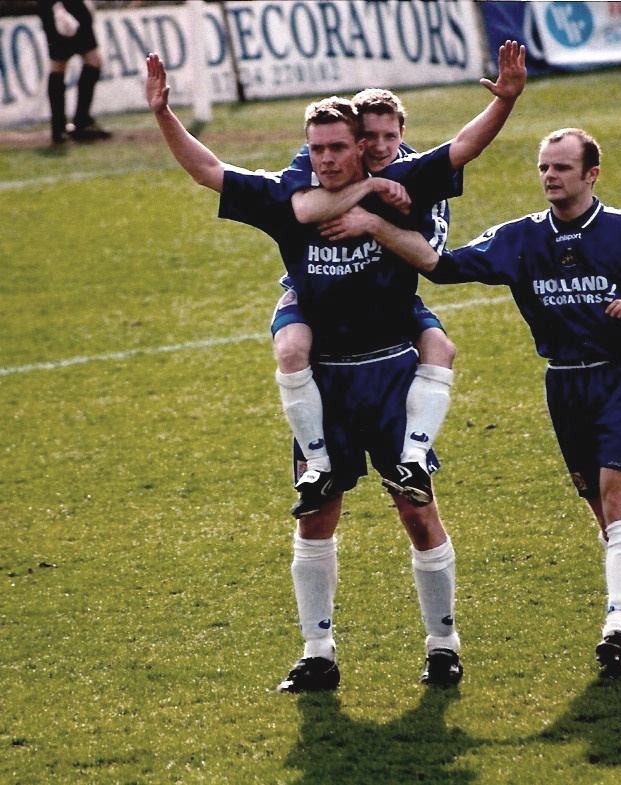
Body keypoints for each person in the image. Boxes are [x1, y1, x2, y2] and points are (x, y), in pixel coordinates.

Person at [144, 45, 523, 692]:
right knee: (315, 516)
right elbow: (209, 170)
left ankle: (443, 644)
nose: (325, 158)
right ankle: (317, 651)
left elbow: (461, 148)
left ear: (362, 148)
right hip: (325, 381)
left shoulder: (404, 185)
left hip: (388, 371)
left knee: (415, 508)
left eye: (336, 148)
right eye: (315, 148)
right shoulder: (288, 196)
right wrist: (163, 114)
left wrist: (505, 100)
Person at [322, 127, 621, 677]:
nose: (550, 176)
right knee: (603, 511)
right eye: (544, 167)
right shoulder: (520, 238)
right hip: (564, 384)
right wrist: (377, 225)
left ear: (591, 174)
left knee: (619, 502)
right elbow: (440, 266)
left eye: (562, 168)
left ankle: (616, 628)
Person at [273, 44, 526, 518]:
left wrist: (505, 101)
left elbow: (432, 259)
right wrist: (363, 190)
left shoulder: (413, 177)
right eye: (369, 137)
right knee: (291, 349)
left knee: (441, 347)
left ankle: (413, 461)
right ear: (354, 138)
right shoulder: (319, 162)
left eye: (390, 136)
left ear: (403, 135)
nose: (380, 147)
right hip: (316, 297)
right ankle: (320, 462)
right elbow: (303, 208)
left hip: (392, 296)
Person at [37, 0, 111, 144]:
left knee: (65, 63)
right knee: (67, 62)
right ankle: (77, 123)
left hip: (59, 4)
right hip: (62, 4)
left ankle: (63, 127)